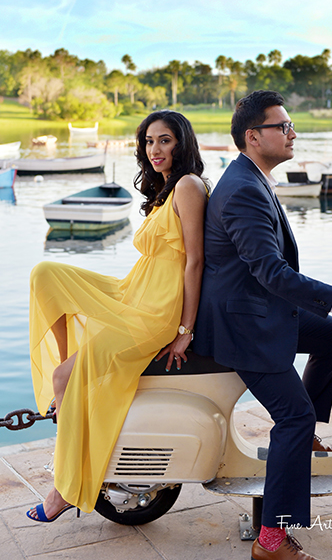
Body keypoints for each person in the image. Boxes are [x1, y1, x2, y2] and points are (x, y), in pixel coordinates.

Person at [193, 90, 332, 560]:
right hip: (243, 328)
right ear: (254, 137)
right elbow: (271, 272)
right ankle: (271, 540)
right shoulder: (244, 191)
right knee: (290, 417)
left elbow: (268, 273)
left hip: (258, 311)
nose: (293, 133)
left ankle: (306, 437)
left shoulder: (251, 178)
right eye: (284, 126)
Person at [27, 110, 208, 523]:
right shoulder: (164, 189)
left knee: (63, 378)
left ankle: (65, 490)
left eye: (164, 140)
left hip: (157, 309)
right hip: (133, 292)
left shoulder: (189, 186)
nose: (155, 149)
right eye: (148, 141)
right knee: (46, 275)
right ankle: (74, 364)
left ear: (182, 142)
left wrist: (184, 330)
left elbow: (194, 262)